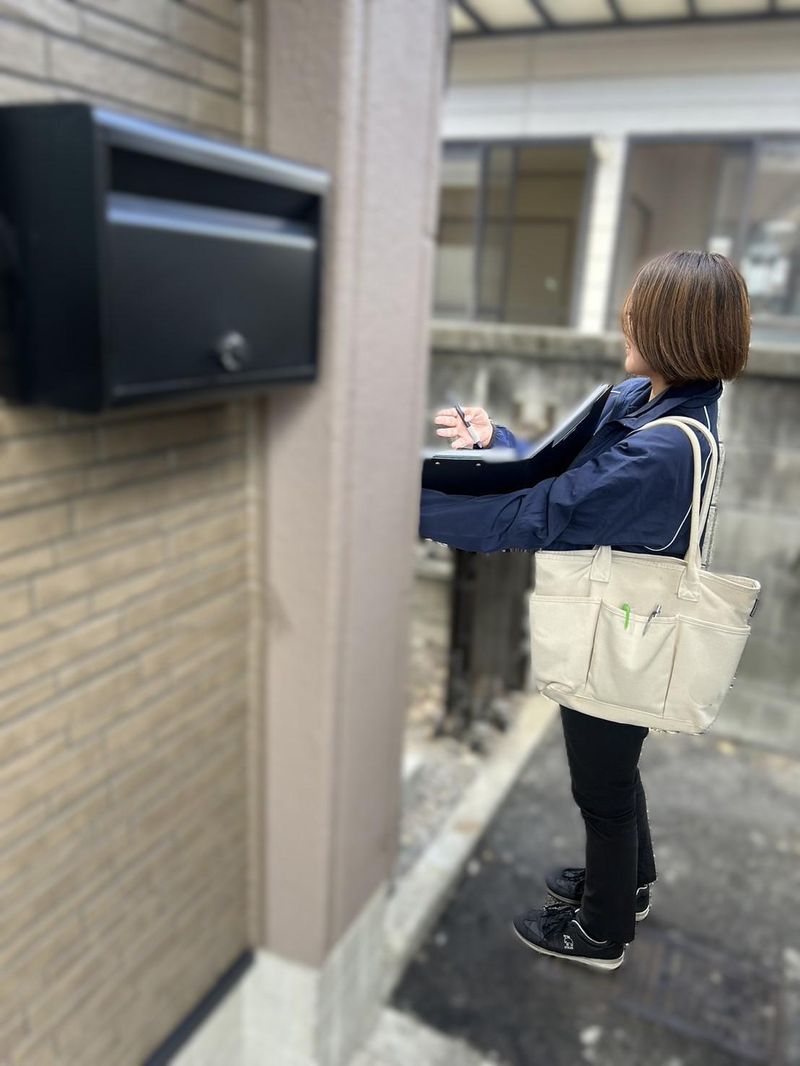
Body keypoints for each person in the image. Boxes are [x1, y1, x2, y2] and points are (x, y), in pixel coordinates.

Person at [419, 250, 751, 972]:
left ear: (674, 331)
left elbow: (541, 512)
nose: (623, 324)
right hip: (626, 620)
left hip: (623, 626)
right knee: (615, 772)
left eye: (637, 316)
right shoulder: (637, 399)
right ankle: (626, 885)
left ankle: (603, 931)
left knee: (600, 784)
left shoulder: (666, 448)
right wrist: (490, 447)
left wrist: (404, 505)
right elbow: (548, 468)